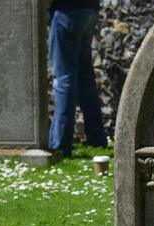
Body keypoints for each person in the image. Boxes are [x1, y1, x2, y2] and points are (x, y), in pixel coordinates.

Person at [48, 0, 108, 157]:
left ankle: (60, 145)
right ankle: (97, 139)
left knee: (64, 78)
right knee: (84, 77)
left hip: (67, 10)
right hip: (90, 9)